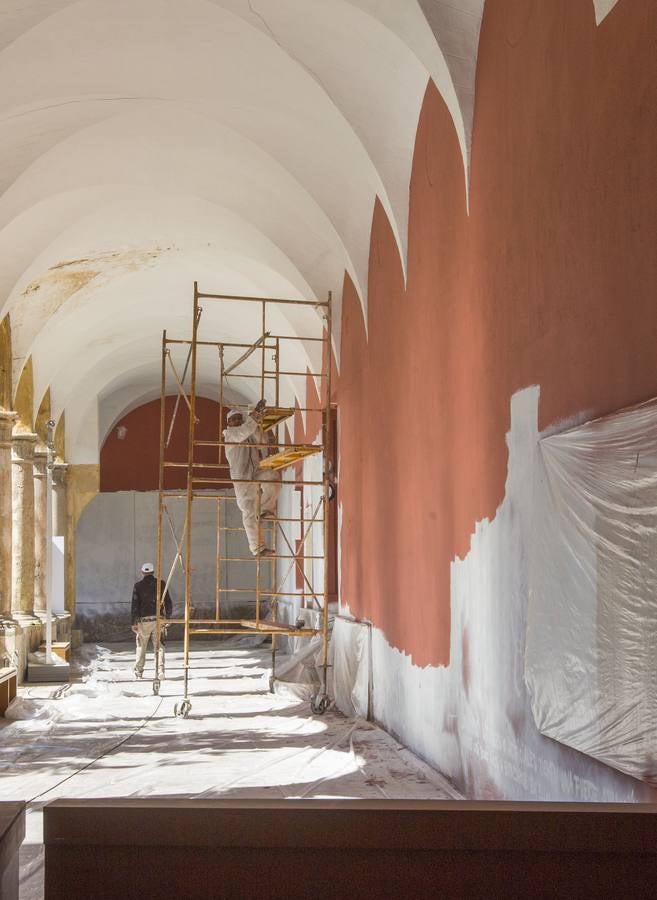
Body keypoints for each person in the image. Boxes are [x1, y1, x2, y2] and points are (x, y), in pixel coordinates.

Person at [223, 400, 281, 556]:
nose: (237, 421)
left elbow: (262, 443)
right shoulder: (230, 435)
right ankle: (258, 548)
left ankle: (264, 508)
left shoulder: (247, 432)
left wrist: (255, 421)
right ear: (229, 423)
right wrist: (254, 416)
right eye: (234, 419)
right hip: (241, 479)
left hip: (256, 472)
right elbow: (244, 431)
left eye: (239, 418)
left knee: (272, 476)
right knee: (248, 512)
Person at [131, 563, 172, 680]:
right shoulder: (161, 584)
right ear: (153, 572)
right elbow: (168, 601)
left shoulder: (138, 586)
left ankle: (139, 672)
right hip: (158, 620)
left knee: (141, 647)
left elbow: (135, 605)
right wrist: (168, 617)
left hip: (144, 621)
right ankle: (160, 671)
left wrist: (134, 622)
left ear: (142, 572)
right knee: (159, 647)